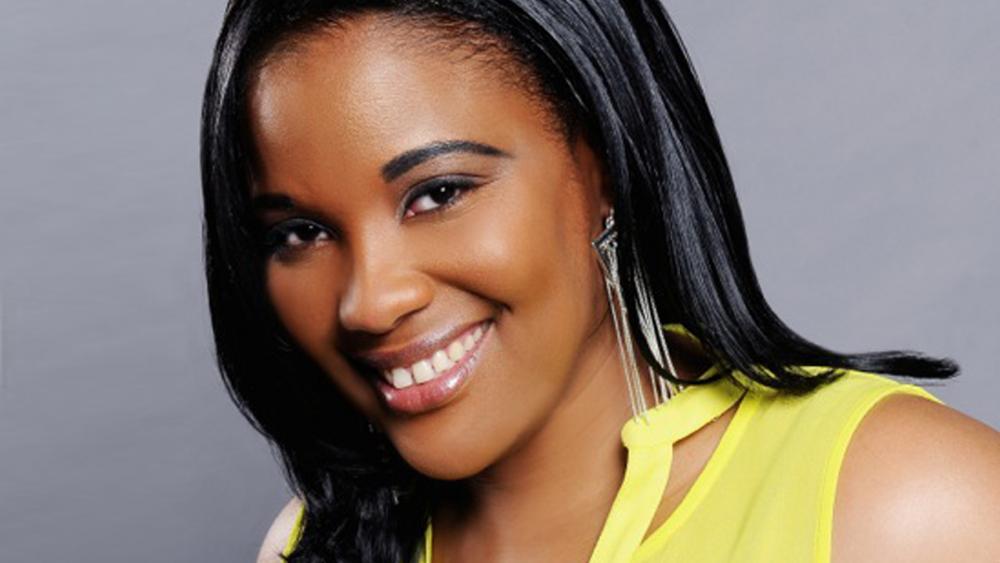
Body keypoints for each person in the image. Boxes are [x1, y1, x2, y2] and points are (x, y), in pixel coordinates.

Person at [198, 1, 1000, 561]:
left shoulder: (910, 506)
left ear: (606, 159)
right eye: (299, 232)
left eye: (438, 193)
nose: (368, 301)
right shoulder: (311, 544)